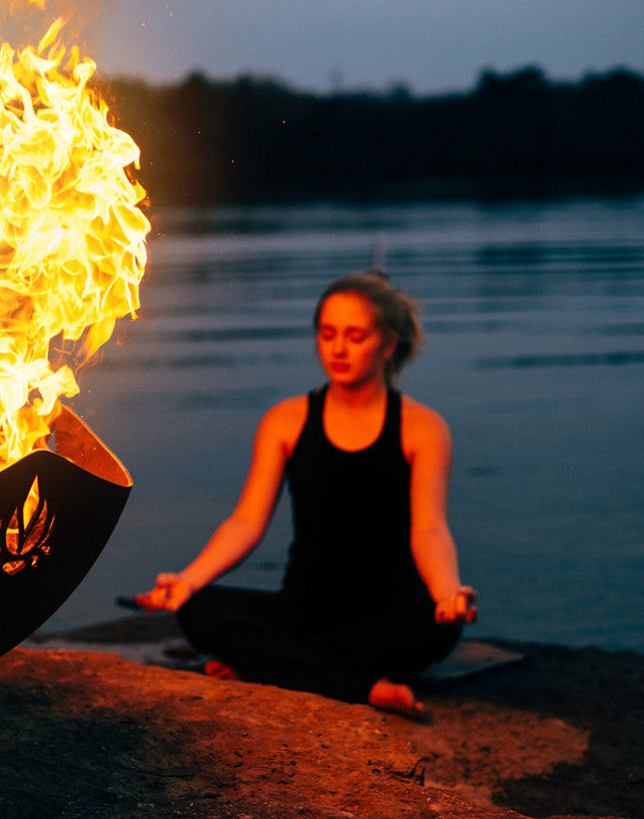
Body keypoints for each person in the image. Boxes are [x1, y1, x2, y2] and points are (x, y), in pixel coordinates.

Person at [136, 270, 477, 720]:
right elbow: (246, 521)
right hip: (302, 610)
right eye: (328, 334)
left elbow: (429, 528)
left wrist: (447, 594)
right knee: (199, 610)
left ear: (388, 344)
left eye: (355, 336)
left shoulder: (422, 427)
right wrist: (189, 579)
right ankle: (363, 687)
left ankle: (271, 667)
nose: (338, 349)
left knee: (435, 631)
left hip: (387, 616)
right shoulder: (286, 420)